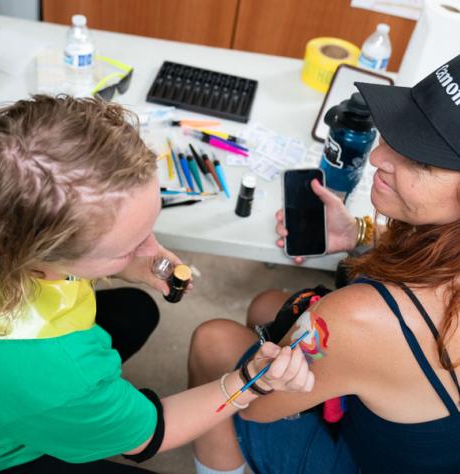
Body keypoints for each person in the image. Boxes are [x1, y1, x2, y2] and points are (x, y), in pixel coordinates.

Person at [0, 95, 315, 473]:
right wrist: (246, 384)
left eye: (150, 227)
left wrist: (123, 259)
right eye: (129, 246)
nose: (153, 250)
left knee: (136, 311)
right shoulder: (61, 372)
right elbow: (152, 435)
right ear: (40, 251)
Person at [188, 54, 460, 474]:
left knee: (213, 344)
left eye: (420, 160)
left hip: (366, 462)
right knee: (268, 307)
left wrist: (258, 383)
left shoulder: (361, 318)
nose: (376, 158)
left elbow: (258, 409)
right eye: (396, 133)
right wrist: (359, 237)